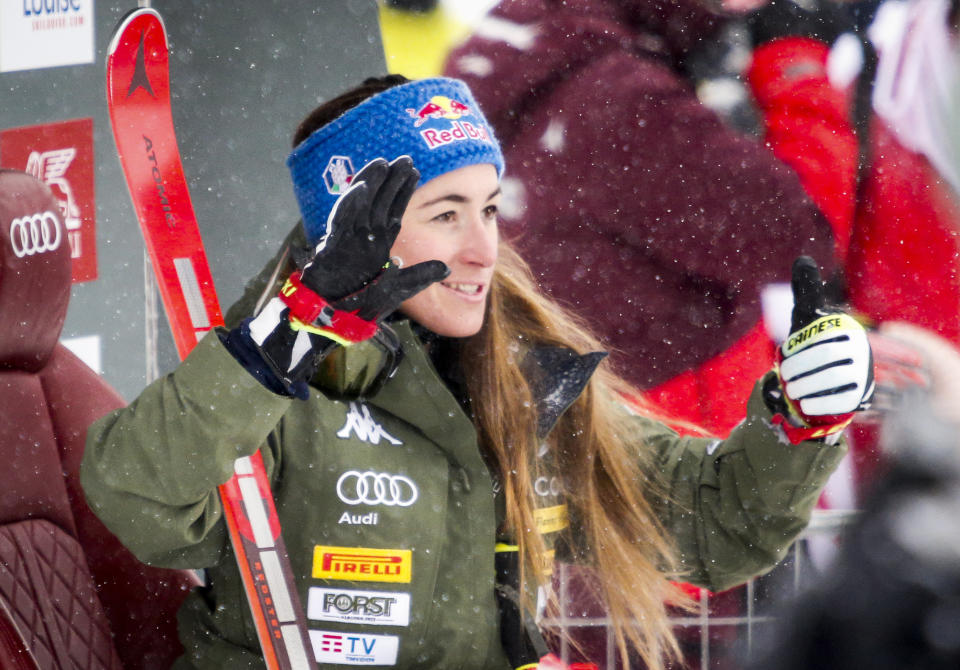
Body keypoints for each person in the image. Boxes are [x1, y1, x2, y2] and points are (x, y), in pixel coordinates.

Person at [80, 75, 874, 670]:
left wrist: (799, 421)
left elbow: (709, 525)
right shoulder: (272, 383)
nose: (482, 248)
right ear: (358, 232)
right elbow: (141, 497)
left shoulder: (525, 377)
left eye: (489, 208)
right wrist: (284, 337)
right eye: (445, 212)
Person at [442, 0, 838, 437]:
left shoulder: (510, 47)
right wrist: (794, 61)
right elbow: (806, 235)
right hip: (678, 439)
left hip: (567, 412)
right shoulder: (623, 101)